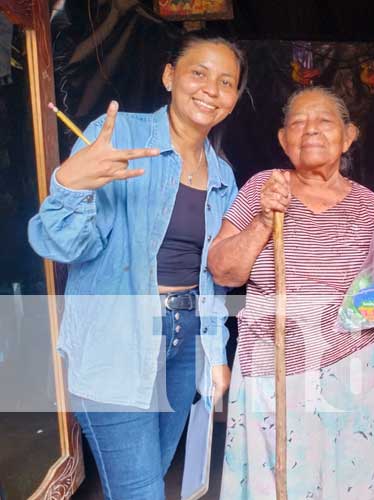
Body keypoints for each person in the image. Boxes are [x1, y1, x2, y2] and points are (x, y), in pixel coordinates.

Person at [27, 32, 246, 500]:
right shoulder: (119, 136)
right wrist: (69, 184)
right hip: (117, 337)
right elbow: (61, 246)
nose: (212, 88)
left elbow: (213, 281)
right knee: (142, 490)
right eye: (198, 73)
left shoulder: (223, 173)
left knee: (153, 473)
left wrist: (216, 353)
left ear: (233, 98)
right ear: (170, 77)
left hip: (187, 339)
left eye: (226, 82)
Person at [211, 86, 374, 499]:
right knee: (277, 483)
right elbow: (224, 272)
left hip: (355, 370)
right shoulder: (261, 190)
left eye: (324, 121)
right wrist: (263, 223)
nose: (310, 131)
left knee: (351, 483)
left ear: (349, 136)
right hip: (274, 367)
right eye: (298, 123)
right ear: (283, 141)